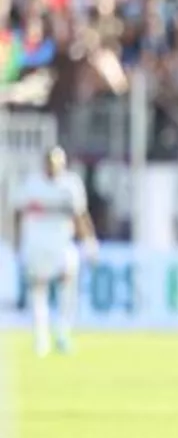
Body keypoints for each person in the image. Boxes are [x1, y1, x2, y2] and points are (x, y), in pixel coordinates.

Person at [14, 146, 97, 357]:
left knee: (68, 283)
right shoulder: (32, 184)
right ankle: (41, 337)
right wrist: (17, 242)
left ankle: (62, 332)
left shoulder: (71, 185)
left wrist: (89, 240)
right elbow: (17, 212)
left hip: (62, 243)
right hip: (37, 244)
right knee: (38, 289)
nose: (53, 168)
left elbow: (80, 215)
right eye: (50, 163)